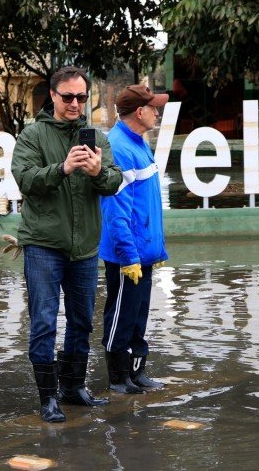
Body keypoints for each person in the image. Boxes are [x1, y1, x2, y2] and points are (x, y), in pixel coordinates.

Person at [11, 65, 123, 422]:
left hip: (85, 245)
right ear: (53, 96)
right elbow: (25, 180)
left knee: (81, 322)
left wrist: (97, 172)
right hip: (43, 243)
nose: (75, 103)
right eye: (68, 96)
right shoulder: (32, 135)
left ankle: (73, 388)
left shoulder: (97, 137)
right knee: (43, 321)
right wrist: (63, 168)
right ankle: (47, 398)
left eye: (81, 97)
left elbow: (115, 181)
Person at [99, 84, 169, 394]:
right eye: (154, 107)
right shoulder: (119, 147)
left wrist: (155, 247)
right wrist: (128, 255)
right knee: (121, 316)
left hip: (145, 250)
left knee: (138, 314)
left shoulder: (139, 142)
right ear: (139, 112)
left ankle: (136, 373)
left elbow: (147, 203)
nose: (158, 112)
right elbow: (116, 212)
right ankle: (117, 378)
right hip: (128, 253)